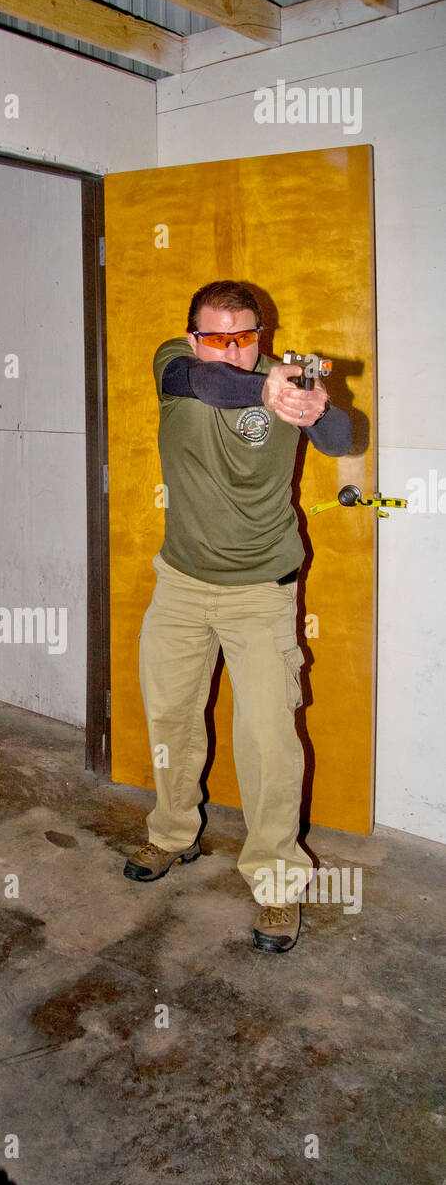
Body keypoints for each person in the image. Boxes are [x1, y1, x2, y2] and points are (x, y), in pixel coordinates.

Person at [124, 280, 352, 953]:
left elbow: (342, 439)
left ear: (263, 337)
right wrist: (265, 389)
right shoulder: (180, 367)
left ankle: (279, 886)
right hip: (181, 585)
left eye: (245, 338)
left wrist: (312, 403)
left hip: (260, 593)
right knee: (169, 718)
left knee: (268, 742)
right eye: (218, 337)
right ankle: (172, 835)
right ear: (194, 336)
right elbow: (203, 381)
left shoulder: (287, 379)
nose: (231, 349)